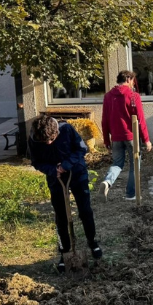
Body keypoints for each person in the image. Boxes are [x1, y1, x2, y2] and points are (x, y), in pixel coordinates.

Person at [28, 113, 102, 273]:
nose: (47, 143)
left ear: (56, 132)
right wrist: (52, 170)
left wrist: (67, 164)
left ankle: (92, 241)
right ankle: (65, 251)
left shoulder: (66, 129)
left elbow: (81, 148)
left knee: (85, 210)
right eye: (44, 141)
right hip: (56, 178)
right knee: (61, 215)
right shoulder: (34, 138)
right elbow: (36, 161)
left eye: (51, 140)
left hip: (76, 172)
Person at [100, 69, 151, 200]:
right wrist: (146, 139)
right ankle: (130, 194)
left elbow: (104, 120)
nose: (134, 84)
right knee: (135, 164)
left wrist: (106, 139)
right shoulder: (133, 96)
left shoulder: (108, 96)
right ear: (128, 79)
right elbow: (140, 119)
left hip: (116, 137)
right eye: (133, 81)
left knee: (117, 163)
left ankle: (107, 182)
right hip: (131, 136)